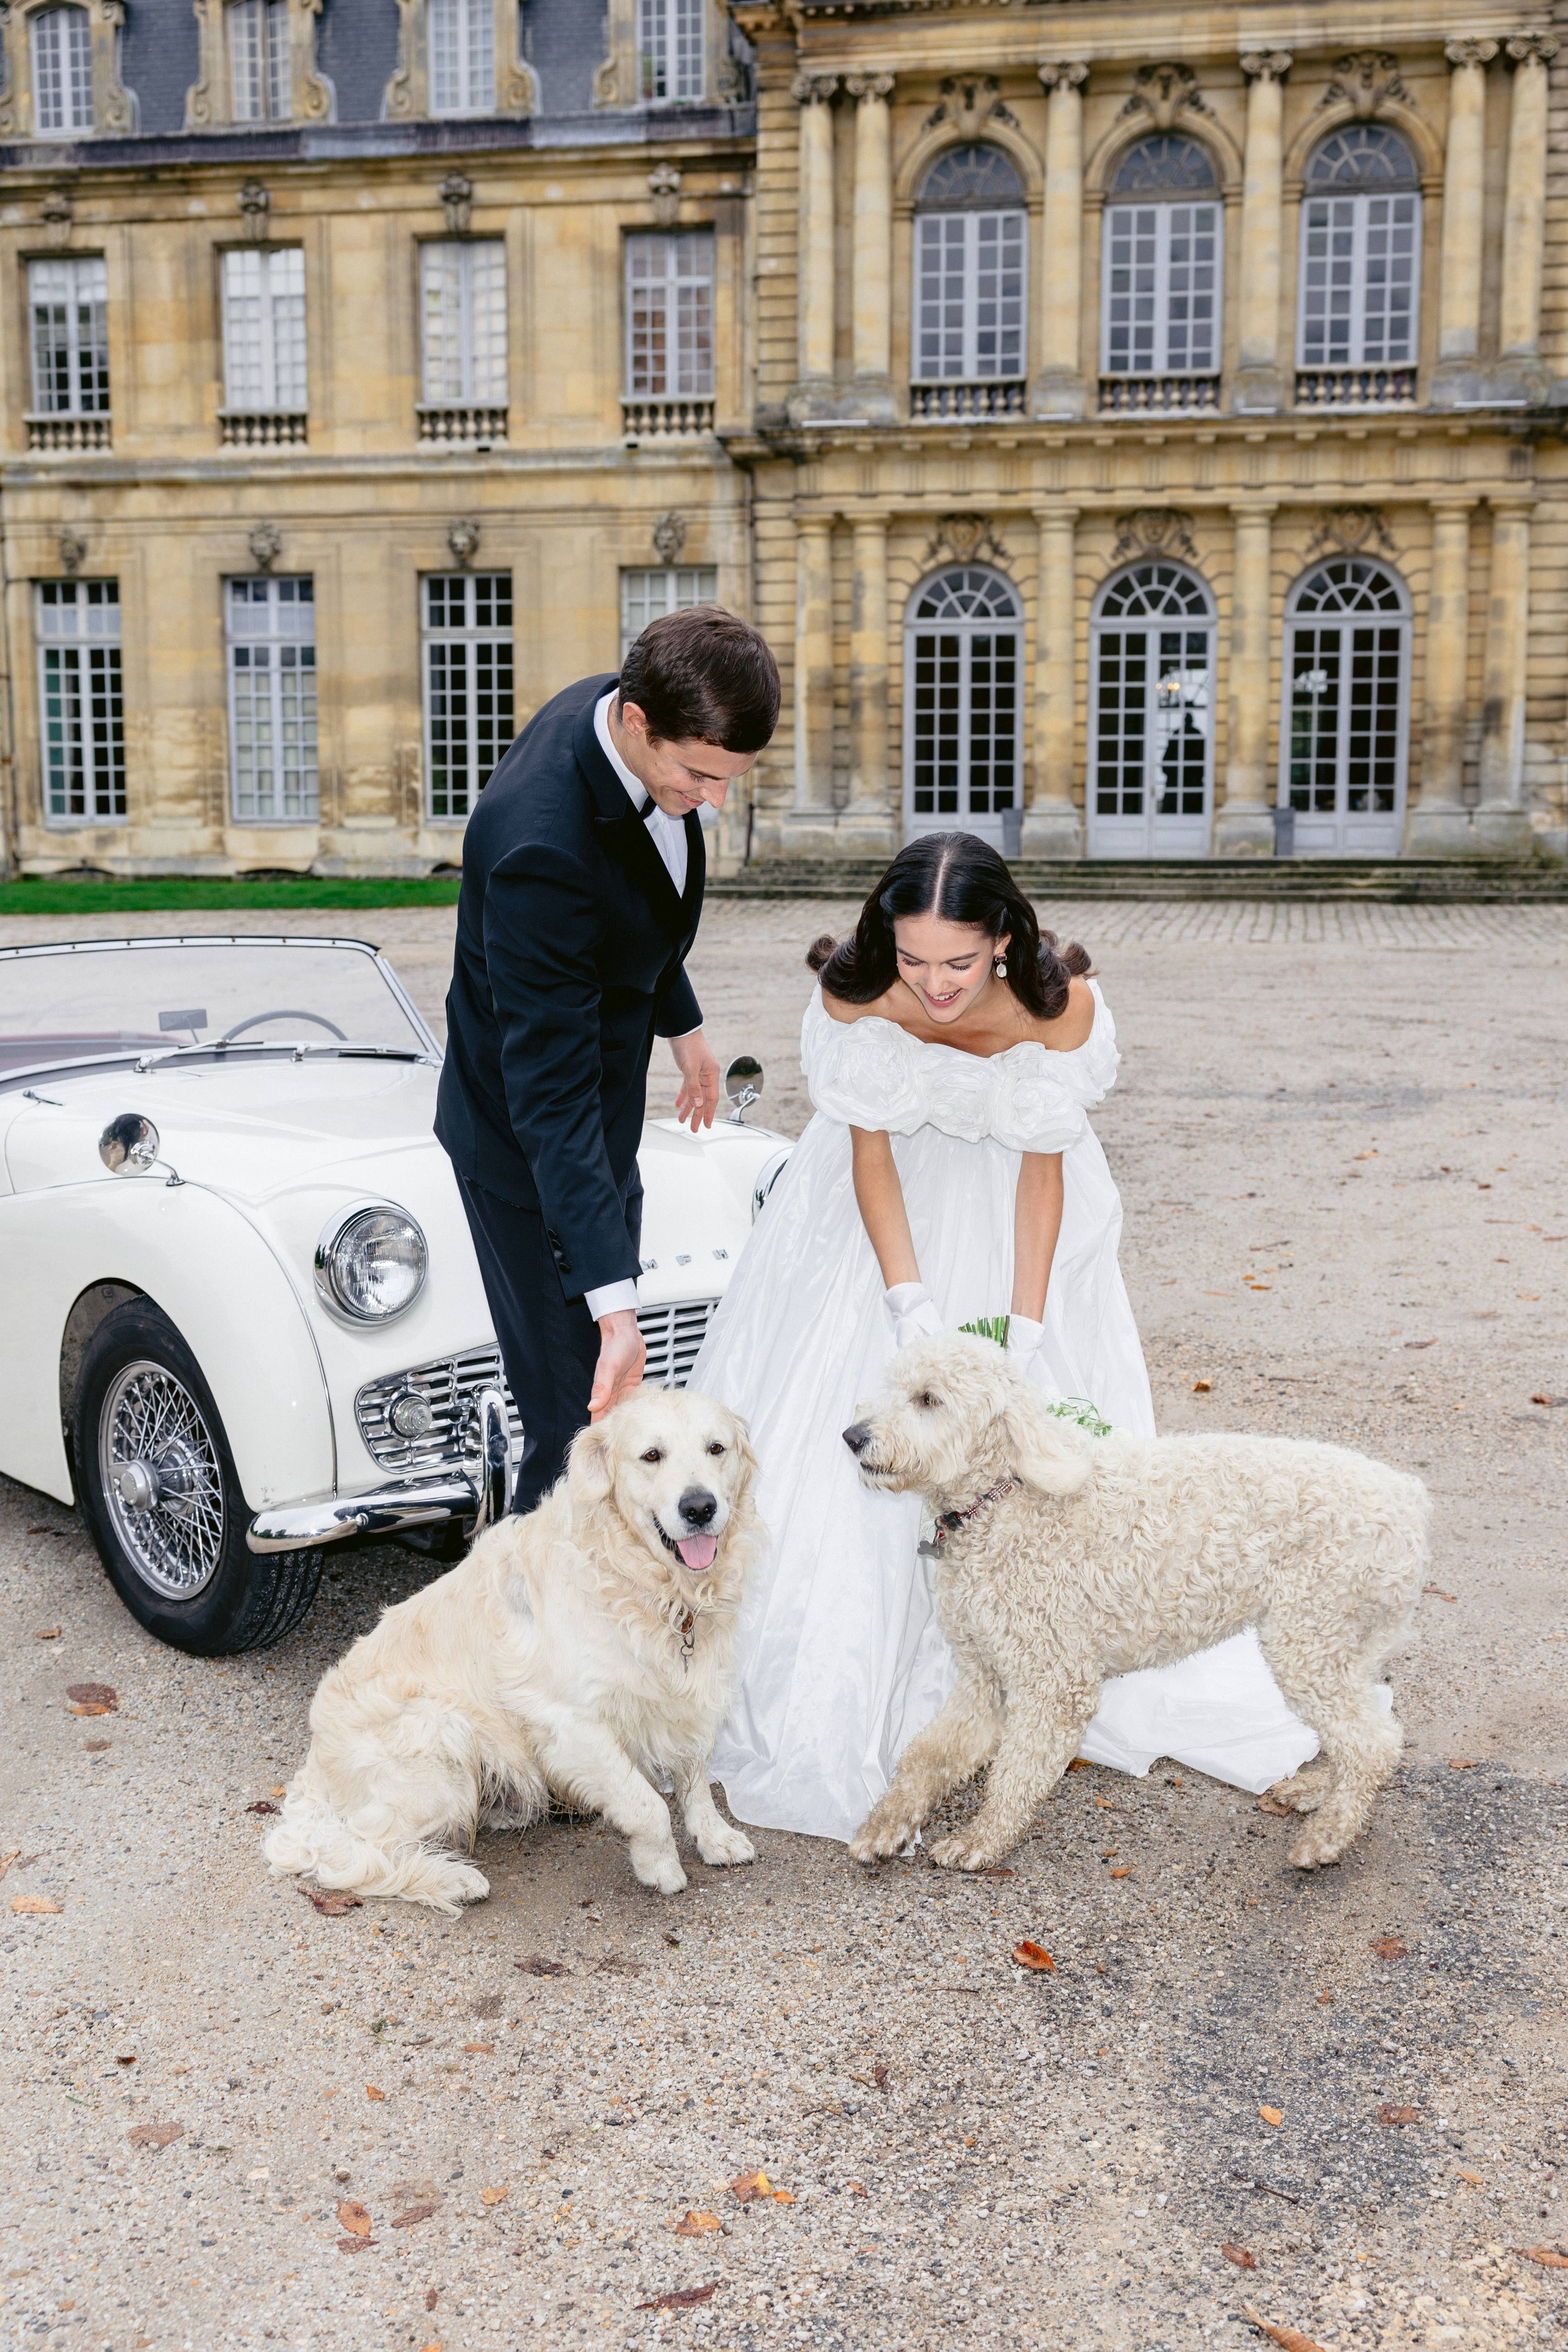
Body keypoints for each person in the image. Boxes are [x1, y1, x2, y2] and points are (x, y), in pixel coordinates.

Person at [692, 833, 1318, 1845]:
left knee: (1032, 1465)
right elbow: (871, 1160)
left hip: (1019, 1218)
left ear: (1003, 940)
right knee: (844, 1432)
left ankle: (1030, 1663)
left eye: (958, 961)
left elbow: (1043, 1169)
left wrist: (1024, 1329)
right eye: (913, 961)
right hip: (868, 1231)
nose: (934, 986)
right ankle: (843, 1688)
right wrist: (907, 1303)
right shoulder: (857, 997)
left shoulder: (1055, 1003)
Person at [435, 605, 779, 1515]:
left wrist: (684, 1023)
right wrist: (615, 1310)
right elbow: (550, 1102)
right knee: (574, 1430)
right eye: (700, 774)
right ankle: (531, 1640)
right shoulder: (539, 847)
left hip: (594, 1115)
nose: (714, 800)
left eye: (731, 778)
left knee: (601, 1397)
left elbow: (637, 905)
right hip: (525, 1147)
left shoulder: (616, 710)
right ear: (637, 722)